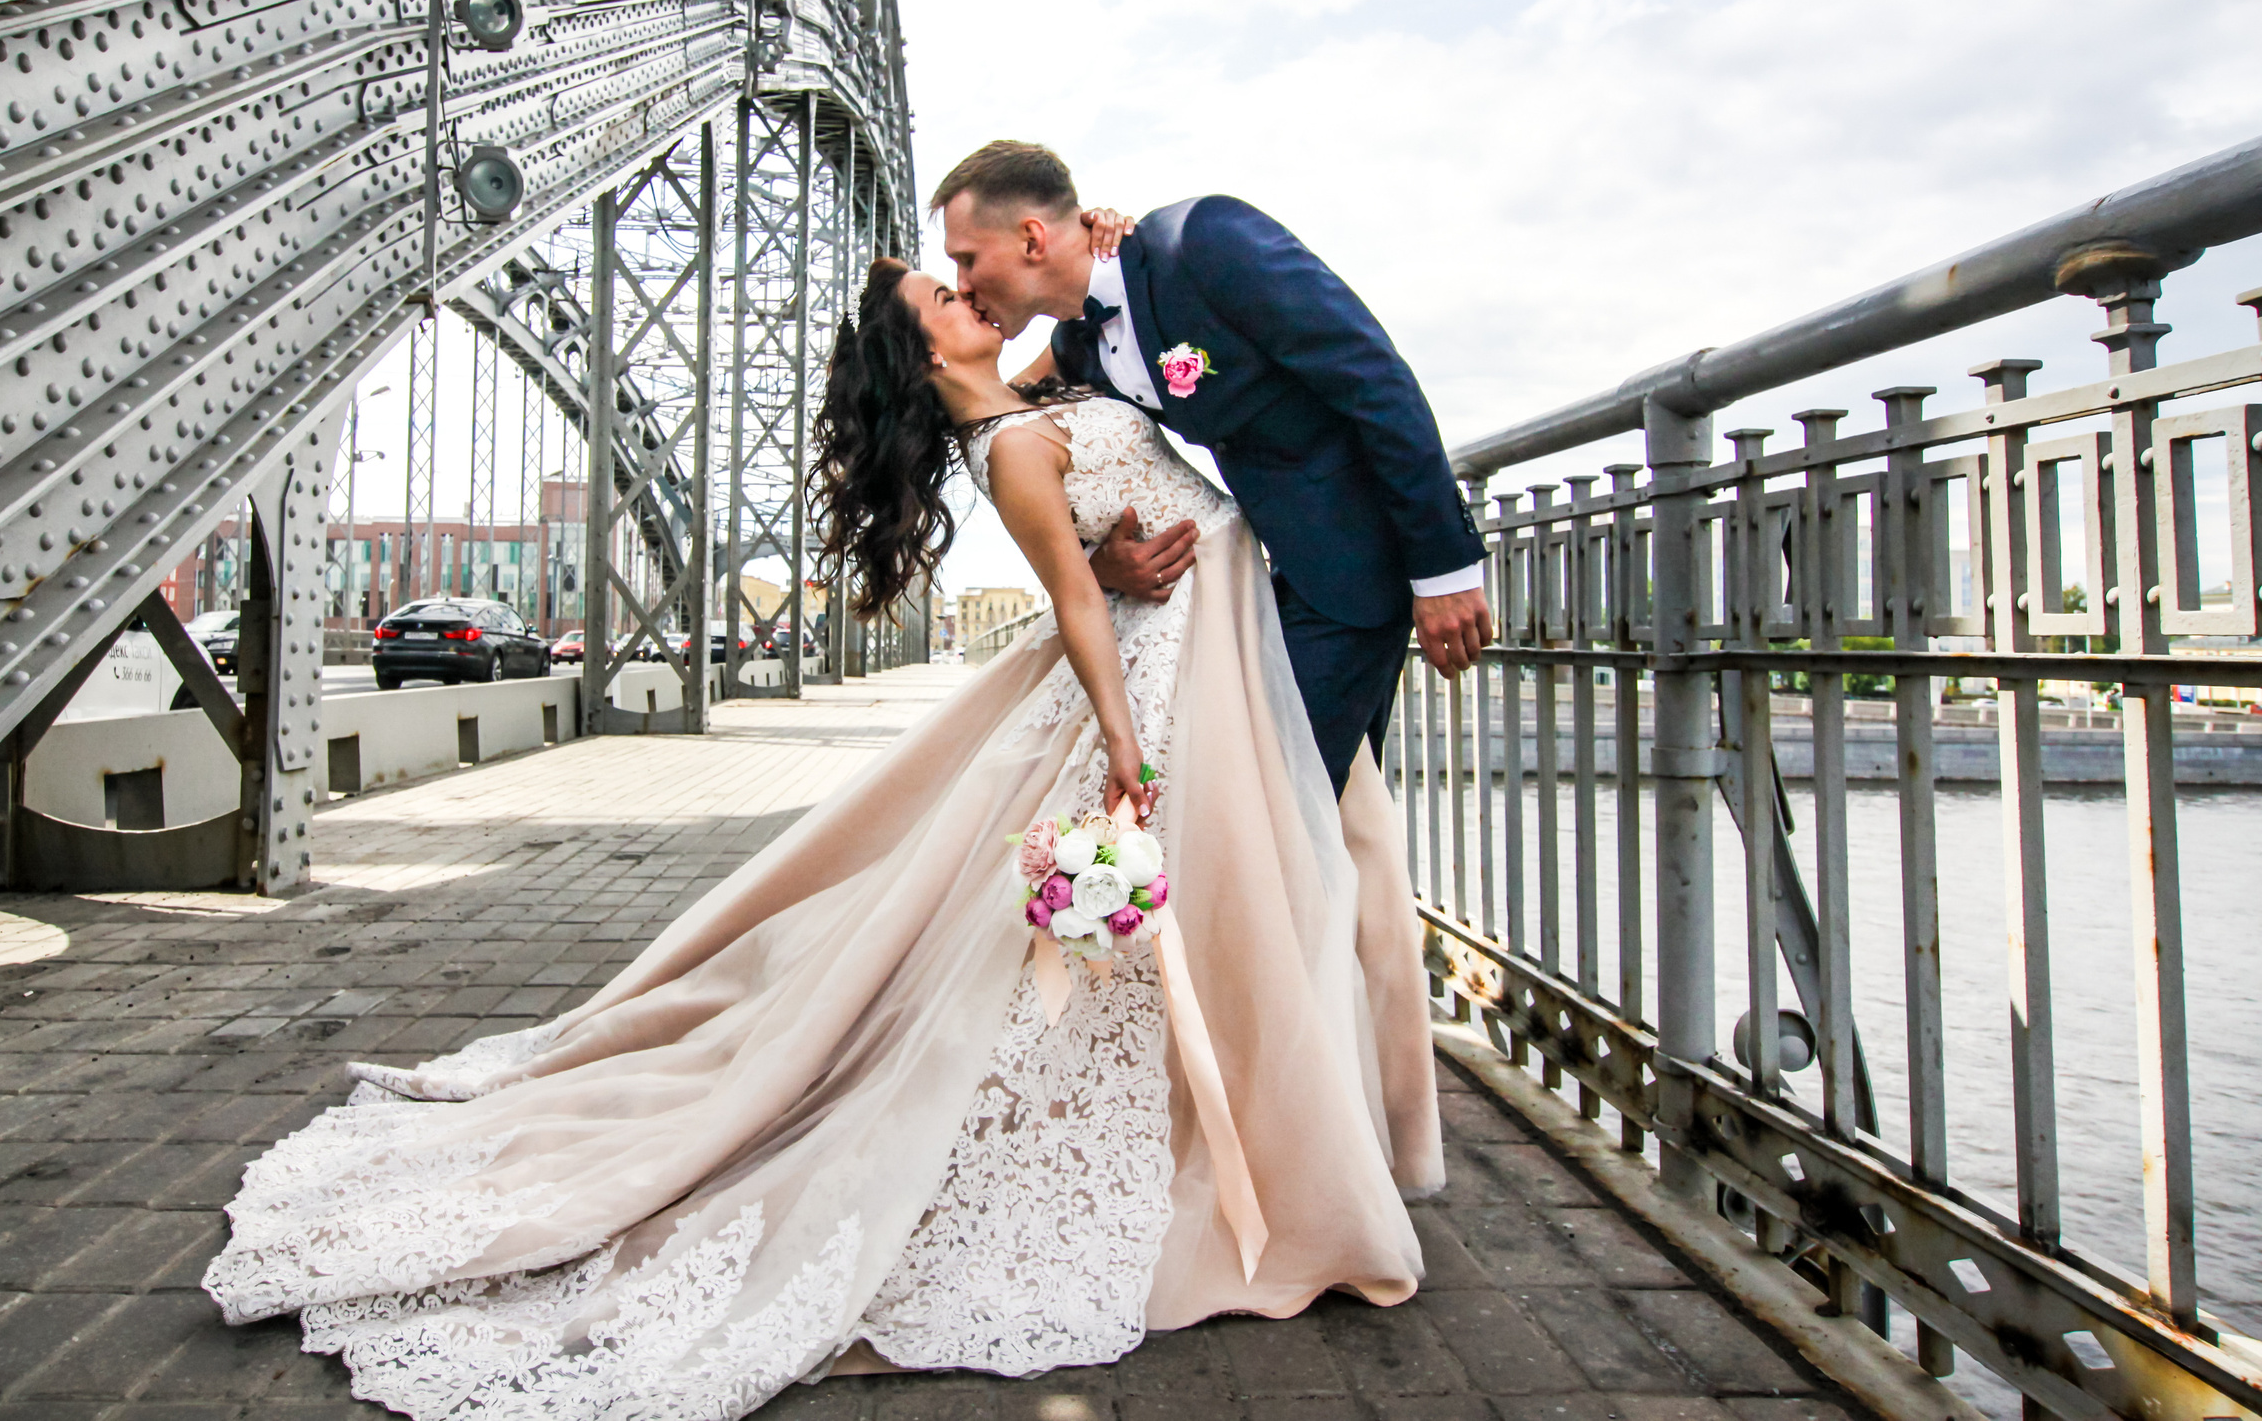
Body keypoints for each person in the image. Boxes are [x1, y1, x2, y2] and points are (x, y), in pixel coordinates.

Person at [202, 244, 1447, 1419]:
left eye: (961, 276)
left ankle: (1281, 1129)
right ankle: (1244, 1149)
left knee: (1252, 890)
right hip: (1162, 678)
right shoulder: (1010, 442)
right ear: (927, 355)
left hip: (1214, 643)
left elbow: (1097, 338)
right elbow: (1073, 595)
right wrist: (1123, 739)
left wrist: (1103, 274)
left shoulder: (1043, 389)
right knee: (1185, 917)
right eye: (947, 297)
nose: (970, 294)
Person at [935, 142, 1492, 798]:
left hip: (1355, 573)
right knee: (1310, 817)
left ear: (1032, 238)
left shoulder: (1204, 241)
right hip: (1264, 589)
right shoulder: (1080, 343)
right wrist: (1098, 567)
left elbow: (1375, 380)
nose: (963, 284)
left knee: (1279, 807)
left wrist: (1444, 572)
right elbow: (1002, 424)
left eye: (966, 259)